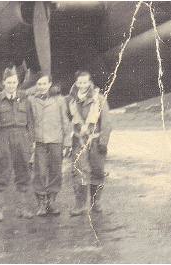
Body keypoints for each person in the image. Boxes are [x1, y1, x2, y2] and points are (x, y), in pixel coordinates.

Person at [0, 66, 34, 222]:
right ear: (3, 83)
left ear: (17, 83)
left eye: (14, 82)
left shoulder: (24, 99)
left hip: (22, 138)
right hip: (4, 138)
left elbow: (31, 123)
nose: (11, 85)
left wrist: (31, 143)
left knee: (24, 173)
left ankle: (22, 208)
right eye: (8, 82)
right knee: (4, 172)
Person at [67, 70, 112, 216]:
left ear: (89, 82)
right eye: (79, 82)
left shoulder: (99, 98)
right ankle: (80, 205)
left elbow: (106, 122)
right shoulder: (70, 100)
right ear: (76, 82)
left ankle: (95, 202)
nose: (82, 85)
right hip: (79, 141)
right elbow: (67, 120)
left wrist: (103, 142)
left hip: (96, 141)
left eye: (85, 82)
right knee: (79, 172)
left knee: (97, 171)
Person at [28, 74, 72, 216]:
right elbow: (30, 123)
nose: (41, 87)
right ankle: (41, 203)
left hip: (56, 140)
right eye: (39, 84)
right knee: (39, 172)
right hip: (40, 141)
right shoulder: (32, 101)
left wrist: (67, 142)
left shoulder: (59, 100)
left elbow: (65, 121)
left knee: (55, 171)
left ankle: (51, 202)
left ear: (50, 84)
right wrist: (31, 143)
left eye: (44, 84)